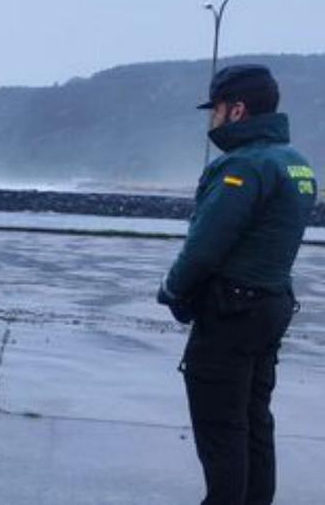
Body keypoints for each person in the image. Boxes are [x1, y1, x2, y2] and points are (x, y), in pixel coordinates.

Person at [157, 64, 317, 504]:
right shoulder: (296, 165)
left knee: (222, 428)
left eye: (218, 108)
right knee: (253, 421)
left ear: (238, 111)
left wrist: (172, 289)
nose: (212, 118)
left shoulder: (243, 167)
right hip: (271, 305)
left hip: (232, 312)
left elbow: (206, 245)